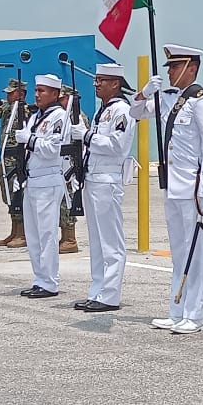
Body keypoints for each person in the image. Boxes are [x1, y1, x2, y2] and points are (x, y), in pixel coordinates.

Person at [130, 44, 203, 335]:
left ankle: (196, 314)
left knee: (196, 252)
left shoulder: (202, 102)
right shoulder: (169, 100)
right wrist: (145, 92)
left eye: (174, 66)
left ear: (191, 68)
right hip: (172, 185)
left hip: (193, 188)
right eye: (169, 66)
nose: (169, 71)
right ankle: (177, 308)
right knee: (179, 251)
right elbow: (136, 113)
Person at [72, 63, 136, 312]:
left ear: (115, 84)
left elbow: (116, 146)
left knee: (111, 242)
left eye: (101, 80)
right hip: (94, 179)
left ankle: (110, 295)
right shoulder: (105, 111)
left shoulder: (122, 111)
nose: (96, 84)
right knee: (97, 242)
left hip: (108, 180)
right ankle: (97, 291)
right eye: (96, 80)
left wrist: (87, 136)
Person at [14, 74, 71, 298]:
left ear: (55, 94)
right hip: (32, 179)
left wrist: (28, 140)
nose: (37, 95)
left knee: (47, 234)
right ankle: (39, 278)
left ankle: (49, 282)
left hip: (48, 179)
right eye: (36, 90)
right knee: (34, 234)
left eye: (43, 91)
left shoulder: (58, 116)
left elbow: (51, 150)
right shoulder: (37, 116)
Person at [0, 78, 29, 248]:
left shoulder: (24, 110)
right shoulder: (8, 110)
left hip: (16, 159)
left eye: (11, 93)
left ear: (20, 94)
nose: (8, 96)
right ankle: (14, 231)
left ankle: (22, 233)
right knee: (8, 195)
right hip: (5, 159)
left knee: (18, 195)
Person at [58, 84, 90, 254]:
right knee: (62, 200)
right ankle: (64, 236)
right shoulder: (64, 115)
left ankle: (70, 238)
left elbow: (82, 144)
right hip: (63, 163)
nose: (59, 100)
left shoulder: (77, 116)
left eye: (62, 97)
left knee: (68, 201)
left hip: (71, 164)